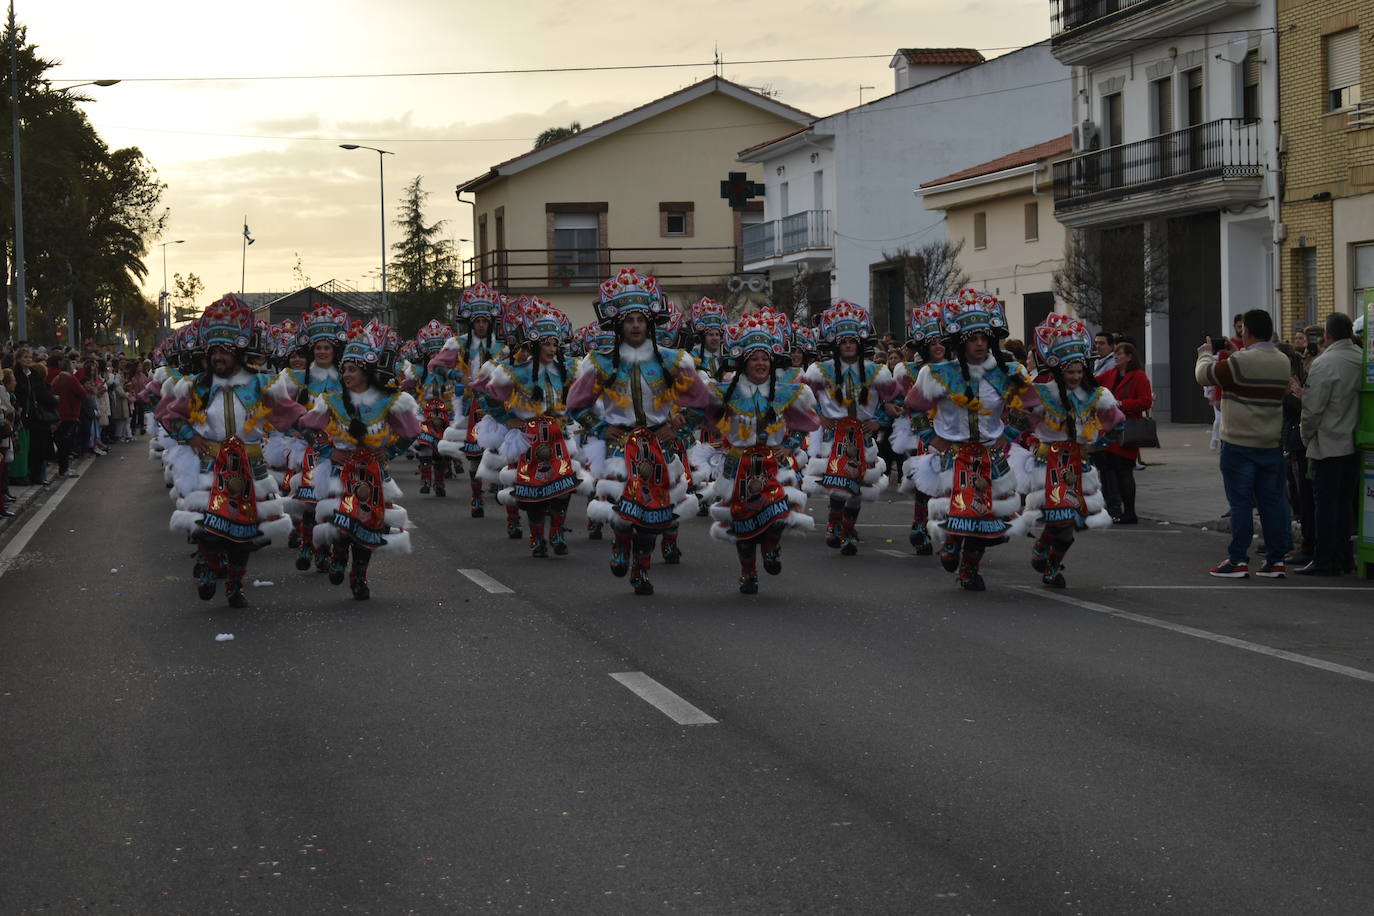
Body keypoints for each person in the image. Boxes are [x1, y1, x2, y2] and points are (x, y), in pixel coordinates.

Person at [566, 268, 709, 595]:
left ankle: (641, 571)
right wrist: (601, 427)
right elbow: (576, 404)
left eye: (640, 320)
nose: (634, 325)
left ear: (649, 324)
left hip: (659, 443)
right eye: (628, 320)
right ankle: (620, 544)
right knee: (623, 510)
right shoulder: (601, 362)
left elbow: (701, 402)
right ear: (618, 325)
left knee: (653, 515)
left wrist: (679, 427)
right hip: (620, 444)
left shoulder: (672, 360)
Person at [158, 296, 306, 608]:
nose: (218, 357)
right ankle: (209, 566)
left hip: (250, 467)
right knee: (207, 527)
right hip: (210, 465)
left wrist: (323, 433)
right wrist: (190, 437)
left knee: (245, 533)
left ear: (237, 352)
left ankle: (235, 585)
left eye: (224, 351)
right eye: (213, 351)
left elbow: (291, 415)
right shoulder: (197, 386)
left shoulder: (261, 384)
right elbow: (170, 416)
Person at [906, 290, 1032, 591]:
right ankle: (951, 543)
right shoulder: (937, 374)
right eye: (973, 338)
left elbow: (1028, 407)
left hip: (990, 456)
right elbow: (915, 407)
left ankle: (969, 570)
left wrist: (1008, 436)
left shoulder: (1008, 373)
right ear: (960, 342)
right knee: (961, 511)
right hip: (953, 455)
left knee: (986, 518)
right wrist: (933, 439)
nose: (979, 344)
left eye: (984, 338)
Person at [300, 320, 420, 599]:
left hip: (373, 474)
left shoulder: (388, 401)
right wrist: (328, 451)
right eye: (344, 370)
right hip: (340, 471)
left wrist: (389, 451)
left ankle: (359, 576)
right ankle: (339, 557)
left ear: (366, 372)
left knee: (369, 526)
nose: (346, 374)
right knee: (342, 524)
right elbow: (306, 426)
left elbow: (411, 431)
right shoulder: (331, 400)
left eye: (352, 369)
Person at [702, 310, 819, 593]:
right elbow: (700, 416)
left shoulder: (786, 391)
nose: (760, 363)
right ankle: (748, 572)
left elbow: (806, 422)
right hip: (738, 465)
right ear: (744, 363)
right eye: (754, 358)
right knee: (743, 525)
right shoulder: (725, 391)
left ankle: (770, 548)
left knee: (778, 516)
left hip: (771, 463)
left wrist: (788, 446)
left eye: (765, 358)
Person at [470, 301, 588, 558]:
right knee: (533, 493)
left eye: (555, 344)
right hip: (528, 438)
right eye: (546, 343)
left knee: (563, 487)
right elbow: (484, 394)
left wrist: (579, 418)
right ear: (535, 345)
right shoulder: (514, 371)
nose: (552, 349)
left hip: (557, 436)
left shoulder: (568, 368)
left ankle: (556, 533)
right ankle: (536, 538)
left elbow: (583, 397)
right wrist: (506, 419)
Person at [1017, 314, 1124, 588]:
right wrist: (1030, 442)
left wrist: (1096, 444)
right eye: (1069, 372)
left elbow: (1117, 426)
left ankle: (1047, 557)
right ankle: (1047, 559)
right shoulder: (1042, 394)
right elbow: (1016, 421)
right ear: (1058, 370)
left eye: (1079, 371)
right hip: (1049, 464)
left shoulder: (1096, 395)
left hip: (1078, 465)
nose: (1075, 376)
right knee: (1061, 519)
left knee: (1069, 524)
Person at [1195, 308, 1292, 578]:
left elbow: (1204, 375)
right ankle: (1275, 560)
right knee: (1271, 503)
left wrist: (1205, 353)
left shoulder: (1240, 362)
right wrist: (1236, 350)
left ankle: (1238, 559)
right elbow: (1252, 368)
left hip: (1238, 443)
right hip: (1270, 442)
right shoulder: (1283, 361)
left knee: (1240, 502)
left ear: (1246, 331)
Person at [800, 301, 899, 556]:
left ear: (860, 343)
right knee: (838, 482)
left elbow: (892, 400)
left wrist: (879, 421)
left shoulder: (877, 372)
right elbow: (802, 397)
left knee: (858, 486)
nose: (847, 345)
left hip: (863, 435)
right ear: (835, 344)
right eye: (843, 341)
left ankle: (848, 528)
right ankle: (834, 524)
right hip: (834, 435)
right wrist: (819, 417)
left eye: (852, 341)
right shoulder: (819, 371)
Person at [273, 303, 347, 572]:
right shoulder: (295, 378)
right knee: (308, 503)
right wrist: (298, 430)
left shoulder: (346, 376)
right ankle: (307, 544)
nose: (323, 352)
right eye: (318, 348)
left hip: (339, 447)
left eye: (327, 348)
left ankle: (325, 550)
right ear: (311, 350)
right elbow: (279, 407)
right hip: (308, 447)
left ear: (334, 351)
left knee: (334, 502)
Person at [1296, 311, 1363, 575]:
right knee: (1345, 502)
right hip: (1354, 442)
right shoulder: (1361, 358)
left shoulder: (1324, 363)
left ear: (1328, 334)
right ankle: (1344, 557)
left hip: (1328, 443)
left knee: (1324, 503)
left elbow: (1312, 409)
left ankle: (1324, 559)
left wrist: (1306, 436)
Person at [439, 282, 507, 519]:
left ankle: (500, 488)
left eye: (485, 321)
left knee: (502, 450)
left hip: (497, 403)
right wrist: (457, 375)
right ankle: (476, 496)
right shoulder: (457, 344)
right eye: (477, 321)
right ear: (471, 322)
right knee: (475, 454)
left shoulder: (502, 346)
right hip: (472, 404)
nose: (481, 325)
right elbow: (435, 366)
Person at [890, 302, 946, 555]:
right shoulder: (910, 370)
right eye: (933, 342)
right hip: (925, 433)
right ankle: (920, 526)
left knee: (951, 484)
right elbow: (901, 401)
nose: (938, 346)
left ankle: (950, 533)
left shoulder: (956, 370)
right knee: (926, 484)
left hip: (954, 433)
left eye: (942, 341)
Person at [1095, 342, 1152, 524]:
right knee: (1109, 471)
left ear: (1129, 357)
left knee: (1124, 471)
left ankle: (1130, 512)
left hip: (1127, 429)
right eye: (1115, 353)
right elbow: (1092, 383)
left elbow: (1146, 401)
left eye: (1120, 353)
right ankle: (1114, 508)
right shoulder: (1111, 374)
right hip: (1109, 430)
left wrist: (1121, 404)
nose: (1116, 356)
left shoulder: (1139, 376)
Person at [1279, 344, 1315, 566]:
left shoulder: (1295, 379)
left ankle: (1308, 545)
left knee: (1304, 497)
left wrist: (1291, 394)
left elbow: (1300, 407)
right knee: (1297, 495)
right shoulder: (1293, 378)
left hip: (1299, 443)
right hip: (1293, 442)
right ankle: (1304, 543)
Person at [50, 358, 86, 479]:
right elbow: (82, 393)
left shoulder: (56, 378)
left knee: (62, 443)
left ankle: (63, 468)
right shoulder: (70, 379)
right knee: (66, 444)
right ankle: (64, 469)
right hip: (69, 414)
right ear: (69, 367)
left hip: (58, 414)